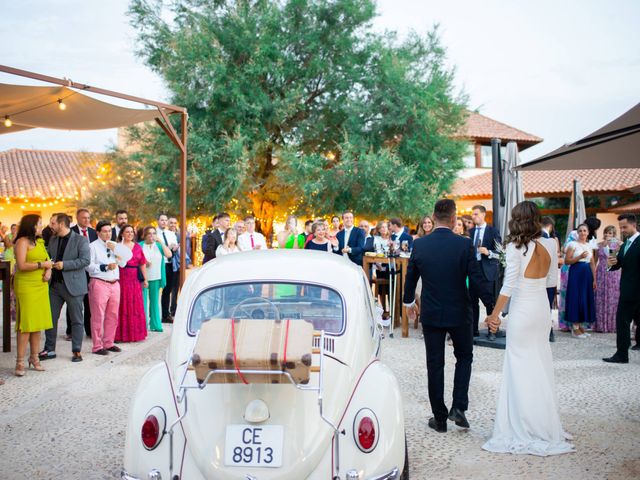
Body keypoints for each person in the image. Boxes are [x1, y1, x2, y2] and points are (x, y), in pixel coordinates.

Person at [483, 201, 574, 456]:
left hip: (523, 311)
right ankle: (544, 423)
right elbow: (551, 282)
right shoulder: (550, 243)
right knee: (540, 364)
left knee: (518, 367)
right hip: (541, 310)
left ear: (516, 220)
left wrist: (494, 314)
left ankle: (522, 424)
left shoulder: (514, 247)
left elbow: (508, 286)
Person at [403, 199, 493, 433]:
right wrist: (492, 307)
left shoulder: (420, 245)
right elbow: (476, 278)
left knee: (435, 364)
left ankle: (439, 419)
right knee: (464, 357)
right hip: (460, 312)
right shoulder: (464, 245)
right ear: (454, 219)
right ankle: (459, 407)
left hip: (432, 312)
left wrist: (408, 301)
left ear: (433, 217)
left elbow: (411, 276)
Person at [39, 213, 90, 363]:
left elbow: (85, 260)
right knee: (50, 319)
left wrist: (65, 265)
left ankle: (76, 350)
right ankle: (49, 350)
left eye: (53, 223)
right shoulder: (53, 239)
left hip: (74, 286)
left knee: (76, 320)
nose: (50, 226)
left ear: (61, 224)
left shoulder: (80, 240)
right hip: (54, 286)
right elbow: (49, 257)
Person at [13, 214, 53, 377]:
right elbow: (21, 265)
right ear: (30, 226)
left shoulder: (40, 242)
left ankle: (35, 358)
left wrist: (49, 269)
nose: (41, 227)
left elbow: (47, 260)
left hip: (41, 285)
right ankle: (20, 361)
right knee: (26, 325)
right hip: (26, 285)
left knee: (37, 323)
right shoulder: (22, 242)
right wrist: (41, 265)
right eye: (39, 224)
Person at [87, 221, 131, 355]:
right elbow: (88, 266)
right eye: (104, 231)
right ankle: (97, 346)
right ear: (98, 232)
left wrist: (116, 252)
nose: (107, 233)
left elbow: (123, 263)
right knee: (98, 315)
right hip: (99, 282)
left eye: (109, 231)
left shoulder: (115, 245)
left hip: (115, 283)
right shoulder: (92, 246)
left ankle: (109, 342)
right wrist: (105, 267)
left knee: (113, 315)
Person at [603, 214, 640, 364]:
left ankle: (621, 355)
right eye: (620, 228)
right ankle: (622, 353)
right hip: (627, 289)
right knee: (627, 321)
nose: (622, 230)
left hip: (635, 290)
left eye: (624, 227)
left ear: (634, 225)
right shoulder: (625, 244)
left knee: (622, 321)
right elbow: (620, 264)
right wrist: (613, 262)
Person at [468, 205, 501, 337]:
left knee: (489, 302)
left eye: (476, 214)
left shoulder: (493, 231)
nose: (473, 216)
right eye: (472, 214)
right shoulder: (470, 232)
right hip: (472, 270)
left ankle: (492, 330)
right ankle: (473, 330)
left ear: (483, 215)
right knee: (472, 301)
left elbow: (500, 252)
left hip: (486, 271)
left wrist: (488, 252)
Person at [115, 224, 148, 343]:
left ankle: (136, 333)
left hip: (134, 278)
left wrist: (145, 279)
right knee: (121, 304)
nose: (130, 234)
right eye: (127, 232)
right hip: (121, 277)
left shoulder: (138, 247)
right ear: (122, 234)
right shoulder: (117, 247)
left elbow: (142, 263)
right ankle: (120, 334)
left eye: (131, 232)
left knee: (135, 304)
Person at [564, 224, 596, 338]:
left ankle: (581, 326)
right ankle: (575, 327)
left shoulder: (589, 245)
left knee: (585, 298)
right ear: (578, 233)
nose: (582, 232)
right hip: (576, 273)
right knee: (576, 298)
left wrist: (594, 279)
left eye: (585, 230)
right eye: (580, 231)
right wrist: (579, 257)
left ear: (588, 232)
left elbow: (592, 263)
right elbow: (567, 261)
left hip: (587, 274)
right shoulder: (572, 244)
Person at [70, 208, 98, 338]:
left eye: (88, 218)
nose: (87, 220)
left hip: (90, 271)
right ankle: (71, 331)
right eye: (83, 218)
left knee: (89, 301)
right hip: (76, 270)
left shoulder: (93, 233)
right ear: (77, 218)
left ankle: (89, 330)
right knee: (74, 301)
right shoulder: (71, 232)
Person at [140, 226, 171, 332]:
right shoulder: (139, 245)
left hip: (156, 276)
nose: (152, 235)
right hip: (143, 278)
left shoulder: (158, 245)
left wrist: (161, 242)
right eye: (149, 233)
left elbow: (169, 254)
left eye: (154, 233)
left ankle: (156, 324)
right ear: (145, 235)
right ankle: (143, 325)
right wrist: (144, 263)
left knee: (154, 301)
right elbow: (135, 260)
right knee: (143, 302)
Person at [595, 225, 622, 333]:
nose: (607, 234)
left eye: (610, 233)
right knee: (600, 297)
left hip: (613, 273)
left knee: (613, 297)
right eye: (606, 232)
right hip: (601, 272)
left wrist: (612, 244)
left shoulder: (617, 244)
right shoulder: (598, 245)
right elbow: (595, 260)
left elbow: (613, 258)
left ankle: (612, 325)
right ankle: (600, 325)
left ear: (614, 234)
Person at [541, 216, 561, 342]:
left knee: (543, 305)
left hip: (543, 278)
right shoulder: (550, 239)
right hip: (549, 278)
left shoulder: (550, 239)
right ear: (551, 226)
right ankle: (548, 331)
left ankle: (547, 331)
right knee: (546, 305)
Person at [157, 213, 179, 323]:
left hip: (170, 264)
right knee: (156, 289)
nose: (164, 222)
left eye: (165, 220)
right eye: (162, 220)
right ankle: (154, 315)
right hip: (159, 263)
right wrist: (165, 247)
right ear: (158, 221)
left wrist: (174, 247)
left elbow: (175, 246)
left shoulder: (171, 234)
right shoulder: (155, 234)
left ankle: (165, 315)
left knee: (168, 290)